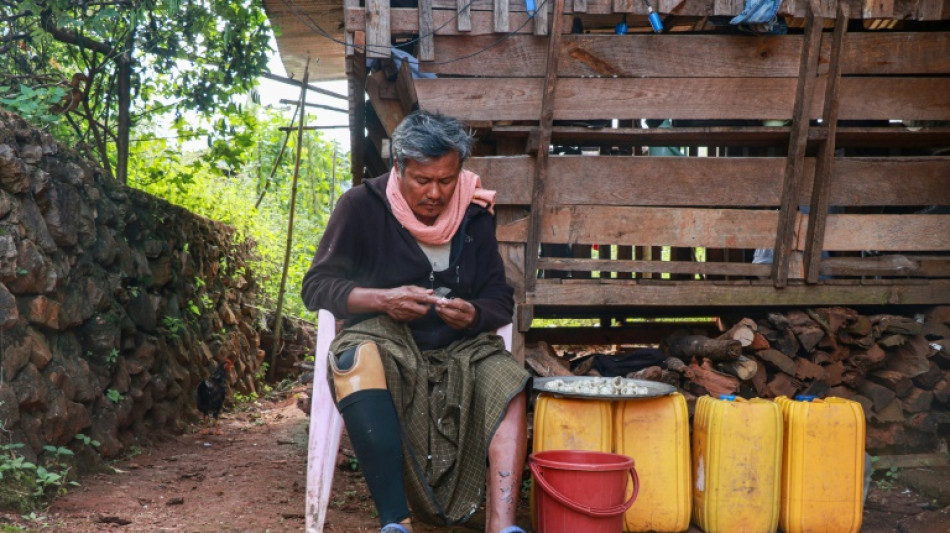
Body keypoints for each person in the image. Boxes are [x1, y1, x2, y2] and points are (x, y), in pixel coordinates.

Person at [301, 110, 530, 533]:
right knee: (356, 359)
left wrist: (473, 313)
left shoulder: (475, 216)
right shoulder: (361, 207)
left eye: (446, 180)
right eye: (422, 180)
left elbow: (500, 300)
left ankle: (503, 525)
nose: (435, 193)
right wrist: (383, 300)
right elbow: (317, 287)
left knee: (508, 380)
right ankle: (395, 520)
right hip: (383, 337)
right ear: (399, 168)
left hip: (461, 348)